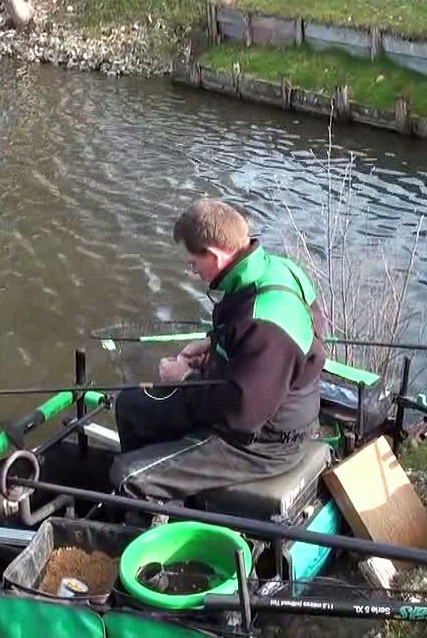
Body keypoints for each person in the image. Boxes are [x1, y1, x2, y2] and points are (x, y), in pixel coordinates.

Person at [109, 197, 327, 517]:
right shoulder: (273, 269)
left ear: (213, 255)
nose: (192, 270)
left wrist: (183, 379)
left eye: (193, 263)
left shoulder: (266, 324)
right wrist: (214, 346)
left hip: (265, 442)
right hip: (256, 402)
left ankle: (160, 530)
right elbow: (250, 341)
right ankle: (173, 495)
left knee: (128, 475)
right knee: (130, 404)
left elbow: (240, 417)